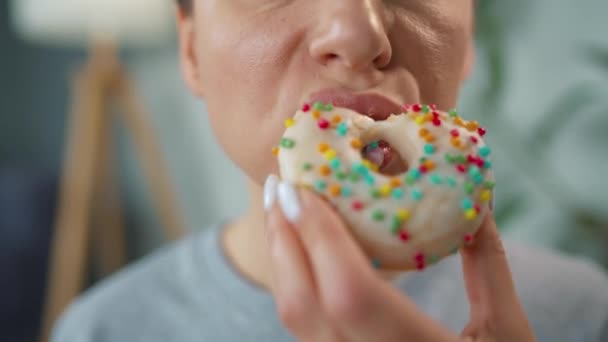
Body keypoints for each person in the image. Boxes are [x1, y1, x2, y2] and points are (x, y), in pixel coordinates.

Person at [52, 0, 608, 341]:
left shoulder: (585, 315)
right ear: (191, 48)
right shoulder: (103, 331)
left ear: (469, 44)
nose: (358, 35)